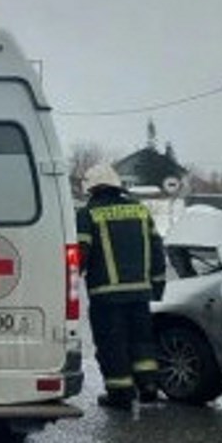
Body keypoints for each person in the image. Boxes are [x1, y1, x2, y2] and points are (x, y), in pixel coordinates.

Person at [76, 164, 167, 410]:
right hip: (140, 294)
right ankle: (148, 386)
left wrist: (68, 278)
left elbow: (81, 253)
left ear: (92, 188)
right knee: (141, 341)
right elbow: (157, 250)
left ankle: (120, 393)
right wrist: (158, 285)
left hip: (105, 296)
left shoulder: (88, 214)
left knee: (112, 344)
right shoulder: (140, 210)